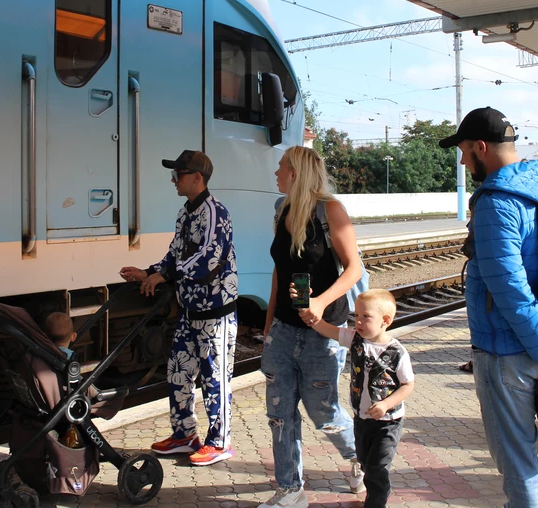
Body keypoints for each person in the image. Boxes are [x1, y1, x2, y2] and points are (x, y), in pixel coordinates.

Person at [439, 106, 538, 508]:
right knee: (520, 455)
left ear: (481, 146)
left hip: (507, 350)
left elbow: (511, 290)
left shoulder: (497, 202)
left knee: (516, 459)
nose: (463, 160)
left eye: (464, 151)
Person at [258, 145, 365, 508]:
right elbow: (280, 272)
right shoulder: (281, 209)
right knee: (280, 413)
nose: (276, 173)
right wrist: (269, 325)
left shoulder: (330, 210)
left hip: (323, 332)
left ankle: (359, 457)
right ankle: (290, 489)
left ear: (295, 172)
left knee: (324, 412)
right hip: (284, 332)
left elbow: (354, 269)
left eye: (280, 167)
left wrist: (319, 302)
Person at [119, 150, 238, 467]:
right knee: (178, 372)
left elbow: (208, 260)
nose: (174, 179)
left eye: (180, 174)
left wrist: (165, 275)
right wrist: (149, 272)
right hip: (190, 310)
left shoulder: (215, 213)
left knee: (215, 378)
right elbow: (175, 255)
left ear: (197, 177)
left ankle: (220, 442)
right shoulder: (186, 213)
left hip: (216, 313)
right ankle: (185, 434)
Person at [308, 289, 414, 508]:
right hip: (361, 419)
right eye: (356, 316)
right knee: (365, 462)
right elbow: (326, 329)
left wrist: (386, 404)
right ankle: (370, 482)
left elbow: (407, 385)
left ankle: (375, 502)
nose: (358, 321)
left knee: (378, 468)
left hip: (388, 422)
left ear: (385, 320)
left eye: (365, 317)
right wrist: (307, 311)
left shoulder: (397, 352)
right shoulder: (355, 339)